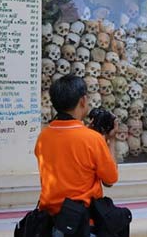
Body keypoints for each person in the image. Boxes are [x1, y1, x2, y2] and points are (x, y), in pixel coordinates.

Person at [35, 74, 118, 217]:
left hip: (50, 220)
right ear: (83, 101)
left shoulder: (43, 136)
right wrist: (111, 141)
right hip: (83, 222)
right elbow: (110, 180)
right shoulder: (93, 139)